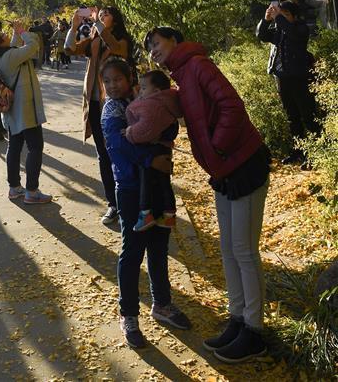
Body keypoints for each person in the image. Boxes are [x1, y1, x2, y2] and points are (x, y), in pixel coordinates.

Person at [145, 27, 270, 364]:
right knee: (229, 249)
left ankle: (255, 332)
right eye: (149, 47)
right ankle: (238, 319)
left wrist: (218, 146)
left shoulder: (198, 64)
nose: (153, 49)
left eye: (156, 42)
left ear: (174, 41)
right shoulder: (181, 76)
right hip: (223, 170)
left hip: (243, 164)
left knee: (244, 250)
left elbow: (231, 105)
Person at [101, 57, 191, 350]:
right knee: (133, 249)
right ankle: (128, 315)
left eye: (118, 79)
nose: (113, 85)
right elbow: (117, 144)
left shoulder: (147, 97)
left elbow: (169, 125)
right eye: (108, 82)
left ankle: (162, 304)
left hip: (159, 187)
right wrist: (151, 159)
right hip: (130, 190)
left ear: (130, 79)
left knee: (159, 244)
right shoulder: (112, 110)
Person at [64, 5, 133, 226]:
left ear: (116, 18)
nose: (102, 16)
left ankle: (130, 201)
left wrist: (99, 25)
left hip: (117, 104)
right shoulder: (94, 38)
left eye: (107, 13)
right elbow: (69, 49)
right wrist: (74, 26)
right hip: (95, 103)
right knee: (103, 154)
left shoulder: (121, 38)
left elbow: (117, 48)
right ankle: (113, 203)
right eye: (100, 13)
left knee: (122, 150)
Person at [0, 21, 52, 204]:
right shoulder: (10, 57)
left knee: (14, 147)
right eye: (2, 34)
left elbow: (11, 47)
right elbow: (33, 47)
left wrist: (15, 33)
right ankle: (32, 191)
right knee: (35, 148)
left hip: (10, 111)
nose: (5, 34)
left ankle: (14, 188)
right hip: (25, 109)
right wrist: (23, 32)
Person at [256, 0, 318, 164]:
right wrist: (266, 19)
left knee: (308, 117)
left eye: (286, 15)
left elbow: (293, 34)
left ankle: (315, 154)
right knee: (292, 117)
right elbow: (261, 35)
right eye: (280, 14)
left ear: (295, 17)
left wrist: (278, 18)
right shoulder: (280, 30)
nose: (280, 18)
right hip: (282, 79)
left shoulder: (300, 28)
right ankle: (298, 152)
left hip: (300, 78)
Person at [123, 70, 182, 231]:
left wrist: (129, 132)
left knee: (146, 180)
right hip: (165, 148)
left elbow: (144, 129)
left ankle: (145, 213)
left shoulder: (153, 105)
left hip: (152, 151)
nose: (140, 91)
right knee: (164, 182)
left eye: (143, 88)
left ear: (156, 92)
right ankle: (169, 215)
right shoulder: (169, 101)